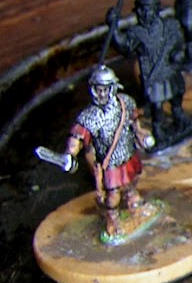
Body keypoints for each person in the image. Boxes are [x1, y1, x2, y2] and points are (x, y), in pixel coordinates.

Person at [48, 66, 154, 238]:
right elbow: (77, 137)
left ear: (112, 88)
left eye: (105, 89)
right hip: (110, 161)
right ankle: (112, 217)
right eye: (98, 89)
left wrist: (141, 133)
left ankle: (133, 199)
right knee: (113, 193)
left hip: (128, 151)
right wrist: (70, 154)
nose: (102, 93)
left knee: (132, 180)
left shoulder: (125, 103)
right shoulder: (91, 116)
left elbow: (134, 122)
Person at [106, 0, 192, 151]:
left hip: (169, 69)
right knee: (156, 104)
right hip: (152, 75)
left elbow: (178, 42)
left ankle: (178, 114)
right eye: (140, 10)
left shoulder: (169, 26)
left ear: (156, 10)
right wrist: (113, 28)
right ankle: (158, 128)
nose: (143, 13)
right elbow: (125, 47)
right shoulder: (136, 33)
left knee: (176, 93)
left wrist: (178, 53)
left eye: (147, 9)